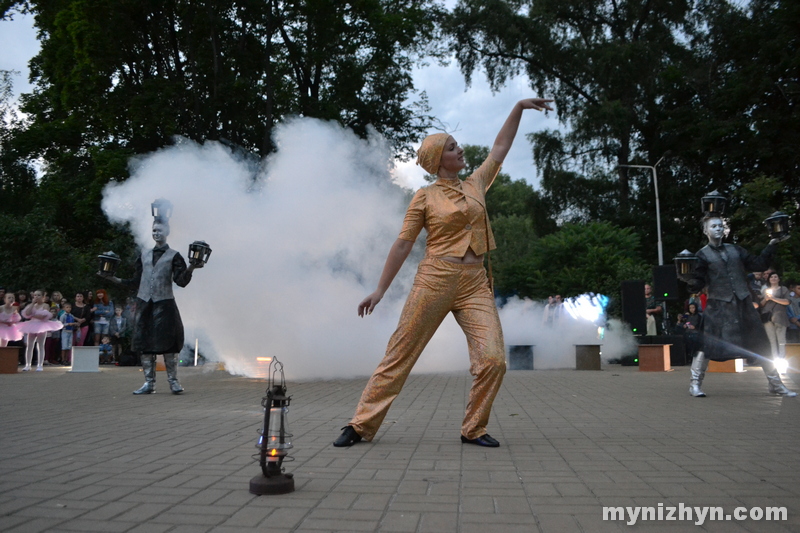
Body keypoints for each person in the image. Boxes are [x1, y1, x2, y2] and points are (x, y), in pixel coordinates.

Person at [333, 97, 555, 448]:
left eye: (457, 144)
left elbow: (501, 146)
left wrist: (519, 107)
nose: (460, 149)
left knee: (494, 359)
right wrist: (380, 290)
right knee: (400, 354)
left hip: (474, 284)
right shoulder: (424, 197)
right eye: (452, 148)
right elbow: (404, 244)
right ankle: (360, 425)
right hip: (435, 279)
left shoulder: (476, 183)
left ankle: (474, 428)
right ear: (440, 161)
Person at [682, 215, 796, 397]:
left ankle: (775, 384)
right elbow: (698, 282)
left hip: (743, 304)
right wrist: (689, 281)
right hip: (718, 306)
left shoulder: (735, 249)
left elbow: (758, 264)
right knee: (706, 345)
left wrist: (773, 242)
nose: (718, 229)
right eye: (713, 226)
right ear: (706, 231)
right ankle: (694, 384)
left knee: (761, 343)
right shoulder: (702, 255)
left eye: (720, 226)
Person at [102, 215, 200, 394]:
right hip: (145, 304)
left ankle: (173, 382)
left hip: (165, 304)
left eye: (160, 230)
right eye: (154, 230)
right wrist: (113, 278)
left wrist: (192, 267)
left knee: (169, 343)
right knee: (144, 343)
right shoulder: (144, 255)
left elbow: (181, 281)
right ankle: (149, 383)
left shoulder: (174, 256)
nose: (156, 233)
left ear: (167, 232)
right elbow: (135, 282)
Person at [18, 290, 63, 371]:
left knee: (40, 345)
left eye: (38, 295)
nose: (36, 297)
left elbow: (43, 316)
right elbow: (27, 314)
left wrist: (33, 315)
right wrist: (32, 304)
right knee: (29, 345)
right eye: (35, 295)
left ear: (43, 297)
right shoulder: (32, 305)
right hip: (32, 325)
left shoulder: (45, 305)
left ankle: (40, 365)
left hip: (41, 325)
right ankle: (28, 365)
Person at [760, 272, 790, 361]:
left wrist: (773, 298)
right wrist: (766, 298)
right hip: (768, 317)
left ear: (779, 279)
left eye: (775, 277)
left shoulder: (783, 289)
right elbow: (761, 304)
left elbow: (787, 301)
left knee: (781, 340)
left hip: (780, 317)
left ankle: (782, 359)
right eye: (771, 277)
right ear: (769, 279)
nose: (773, 278)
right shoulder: (766, 290)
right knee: (771, 341)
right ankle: (774, 359)